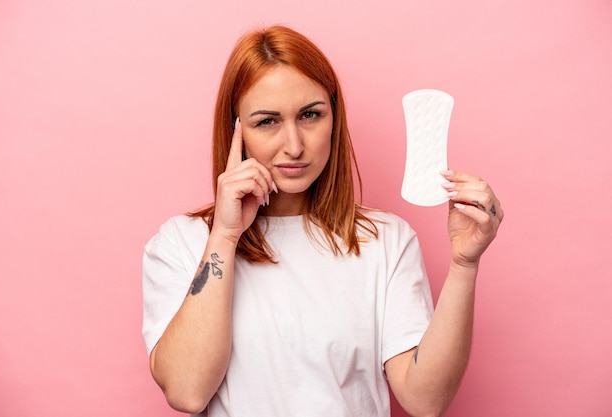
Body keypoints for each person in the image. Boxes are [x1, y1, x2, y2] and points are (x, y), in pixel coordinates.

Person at [142, 25, 503, 417]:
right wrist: (225, 236)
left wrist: (465, 264)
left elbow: (425, 401)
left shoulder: (385, 240)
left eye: (310, 115)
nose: (294, 145)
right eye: (267, 121)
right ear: (235, 130)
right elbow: (186, 392)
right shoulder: (183, 242)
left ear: (335, 117)